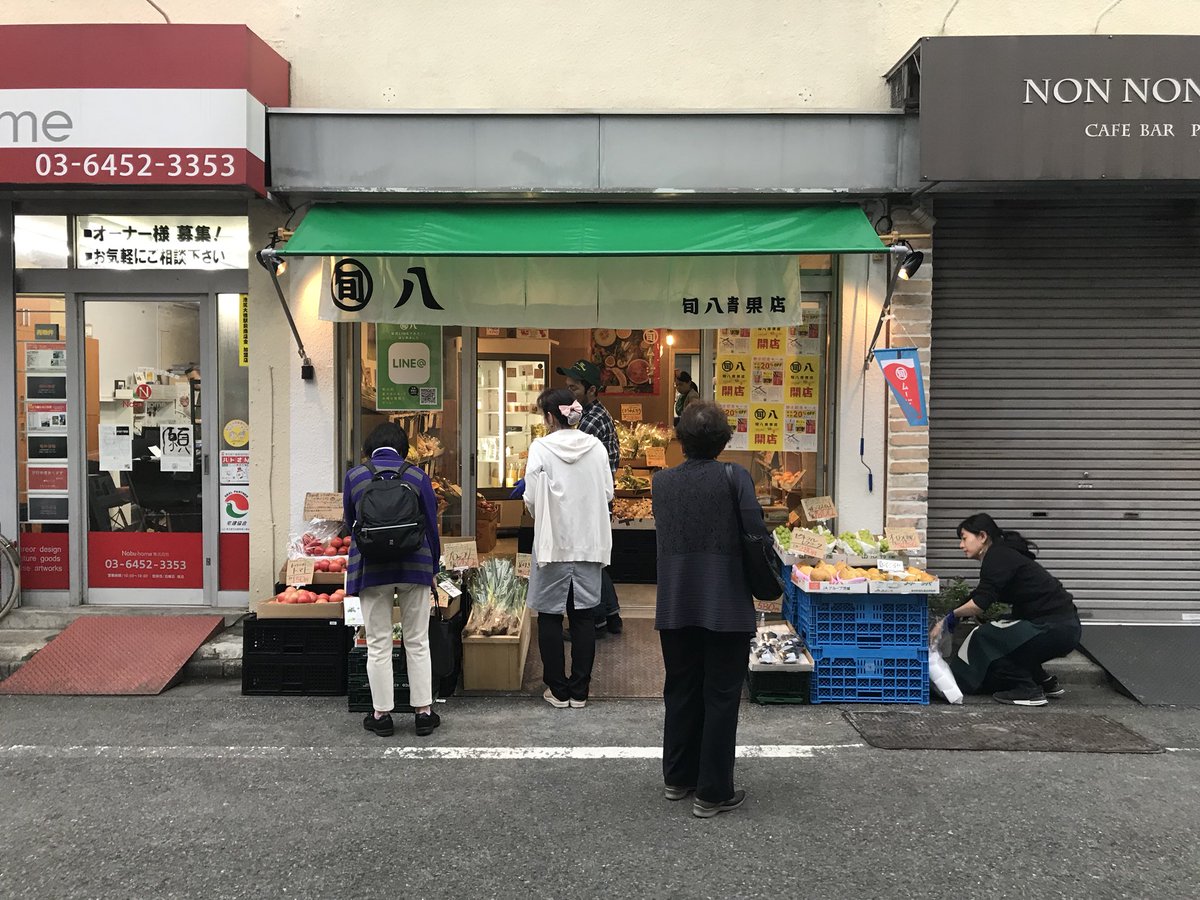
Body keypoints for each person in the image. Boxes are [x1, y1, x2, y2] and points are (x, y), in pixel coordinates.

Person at [652, 401, 765, 818]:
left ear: (681, 440)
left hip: (676, 599)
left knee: (680, 689)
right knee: (720, 695)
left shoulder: (661, 483)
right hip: (725, 601)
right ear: (724, 440)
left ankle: (677, 777)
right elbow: (756, 533)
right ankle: (713, 792)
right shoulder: (735, 477)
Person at [343, 421, 443, 737]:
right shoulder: (417, 476)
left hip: (371, 567)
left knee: (378, 642)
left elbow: (350, 522)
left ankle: (381, 715)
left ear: (370, 450)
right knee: (417, 640)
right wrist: (433, 567)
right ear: (402, 450)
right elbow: (430, 522)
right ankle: (424, 712)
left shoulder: (355, 476)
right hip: (415, 565)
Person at [930, 512, 1081, 707]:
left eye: (964, 538)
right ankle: (1044, 681)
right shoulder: (1004, 555)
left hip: (1053, 627)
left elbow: (979, 603)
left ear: (982, 537)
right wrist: (952, 616)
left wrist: (949, 618)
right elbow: (981, 594)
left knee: (986, 637)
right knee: (1003, 628)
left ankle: (1027, 690)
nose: (961, 545)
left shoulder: (998, 556)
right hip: (1063, 626)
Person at [523, 387, 614, 709]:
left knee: (548, 616)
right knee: (583, 617)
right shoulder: (596, 447)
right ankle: (580, 690)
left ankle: (558, 690)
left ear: (549, 416)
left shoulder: (540, 448)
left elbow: (532, 498)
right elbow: (607, 492)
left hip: (552, 543)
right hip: (589, 542)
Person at [556, 358, 623, 636]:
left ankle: (595, 622)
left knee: (584, 562)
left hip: (589, 502)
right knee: (595, 561)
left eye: (575, 389)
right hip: (591, 499)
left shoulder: (593, 420)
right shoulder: (585, 412)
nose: (569, 394)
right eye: (567, 387)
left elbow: (567, 450)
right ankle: (611, 615)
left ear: (592, 390)